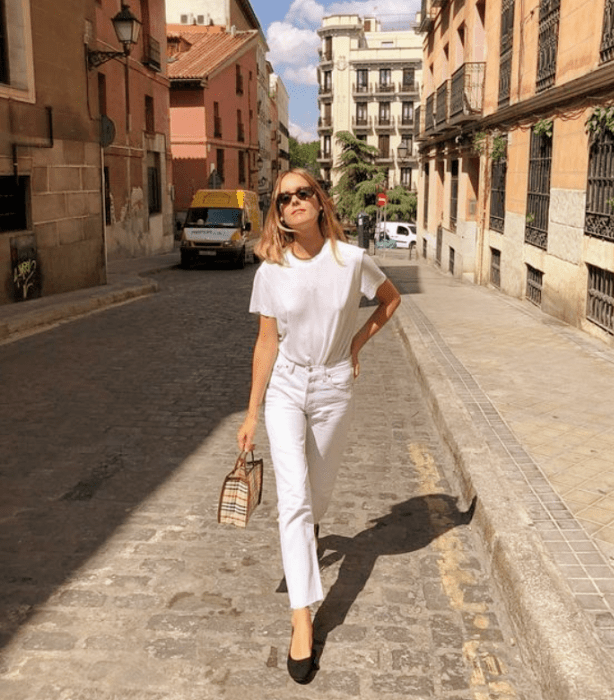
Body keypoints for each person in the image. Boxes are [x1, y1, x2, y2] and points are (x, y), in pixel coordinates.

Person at [237, 169, 401, 683]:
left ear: (320, 201)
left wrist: (355, 344)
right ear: (279, 215)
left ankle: (305, 543)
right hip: (286, 386)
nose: (293, 202)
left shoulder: (351, 261)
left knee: (318, 497)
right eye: (283, 199)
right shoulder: (271, 270)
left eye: (302, 193)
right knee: (294, 499)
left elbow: (390, 300)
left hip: (332, 387)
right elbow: (266, 343)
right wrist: (250, 412)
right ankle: (302, 621)